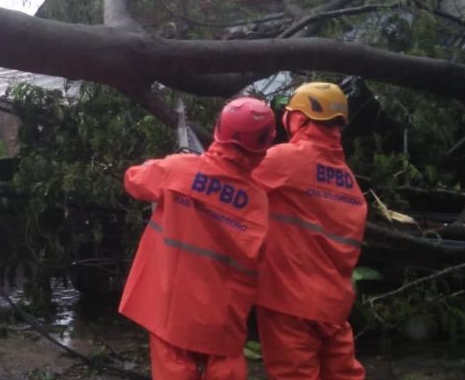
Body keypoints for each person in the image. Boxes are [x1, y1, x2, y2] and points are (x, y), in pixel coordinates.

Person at [119, 97, 276, 380]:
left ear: (219, 131)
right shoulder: (257, 200)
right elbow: (258, 259)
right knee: (227, 366)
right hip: (222, 317)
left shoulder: (180, 169)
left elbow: (133, 180)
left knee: (174, 368)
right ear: (263, 147)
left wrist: (167, 164)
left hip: (173, 308)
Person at [252, 82, 367, 379]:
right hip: (333, 305)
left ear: (299, 118)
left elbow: (228, 177)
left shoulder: (284, 160)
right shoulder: (347, 179)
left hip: (289, 301)